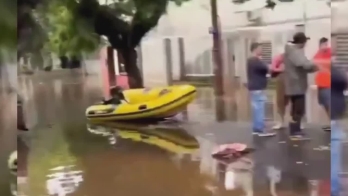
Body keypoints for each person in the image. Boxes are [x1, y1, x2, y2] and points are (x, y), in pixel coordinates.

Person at [282, 32, 318, 140]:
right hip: (296, 85)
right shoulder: (295, 52)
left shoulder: (291, 51)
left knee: (295, 109)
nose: (305, 44)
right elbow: (304, 64)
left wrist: (313, 67)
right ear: (302, 42)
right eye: (305, 42)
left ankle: (294, 130)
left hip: (294, 85)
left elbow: (303, 66)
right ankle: (295, 132)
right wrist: (315, 64)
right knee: (299, 109)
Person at [247, 42, 276, 137]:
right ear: (255, 49)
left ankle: (256, 128)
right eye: (260, 48)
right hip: (258, 87)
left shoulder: (250, 60)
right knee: (259, 108)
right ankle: (260, 129)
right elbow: (267, 68)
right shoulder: (255, 60)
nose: (262, 50)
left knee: (257, 108)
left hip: (254, 87)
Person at [271, 53, 305, 130]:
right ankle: (281, 122)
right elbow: (273, 68)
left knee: (297, 103)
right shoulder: (279, 57)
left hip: (293, 81)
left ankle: (297, 122)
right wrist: (281, 69)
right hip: (282, 81)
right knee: (280, 101)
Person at [330, 64, 347, 196]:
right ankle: (334, 189)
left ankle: (335, 186)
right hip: (334, 114)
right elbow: (344, 81)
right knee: (334, 153)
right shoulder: (332, 69)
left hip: (333, 113)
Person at [313, 37, 331, 131]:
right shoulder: (318, 54)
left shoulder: (330, 52)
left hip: (329, 84)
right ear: (320, 45)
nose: (326, 46)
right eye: (324, 44)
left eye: (326, 44)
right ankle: (331, 123)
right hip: (320, 83)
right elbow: (314, 64)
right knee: (325, 104)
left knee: (330, 103)